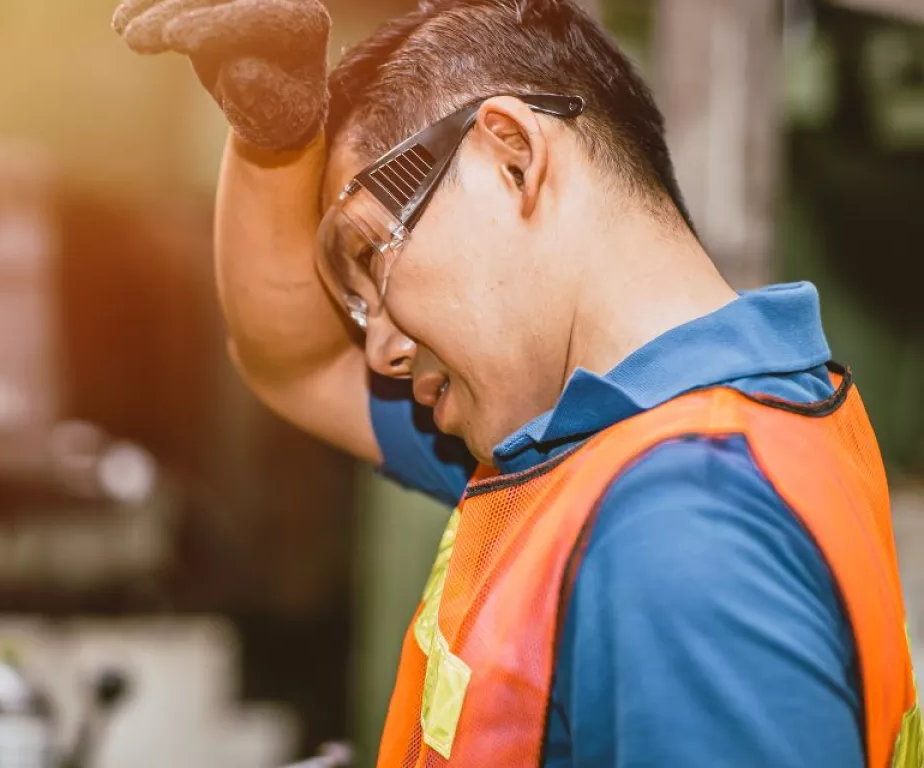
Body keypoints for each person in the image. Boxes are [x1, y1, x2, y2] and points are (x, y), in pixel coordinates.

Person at [112, 0, 922, 766]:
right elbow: (296, 360)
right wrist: (274, 137)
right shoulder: (593, 448)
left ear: (511, 157)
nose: (383, 350)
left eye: (372, 254)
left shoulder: (681, 529)